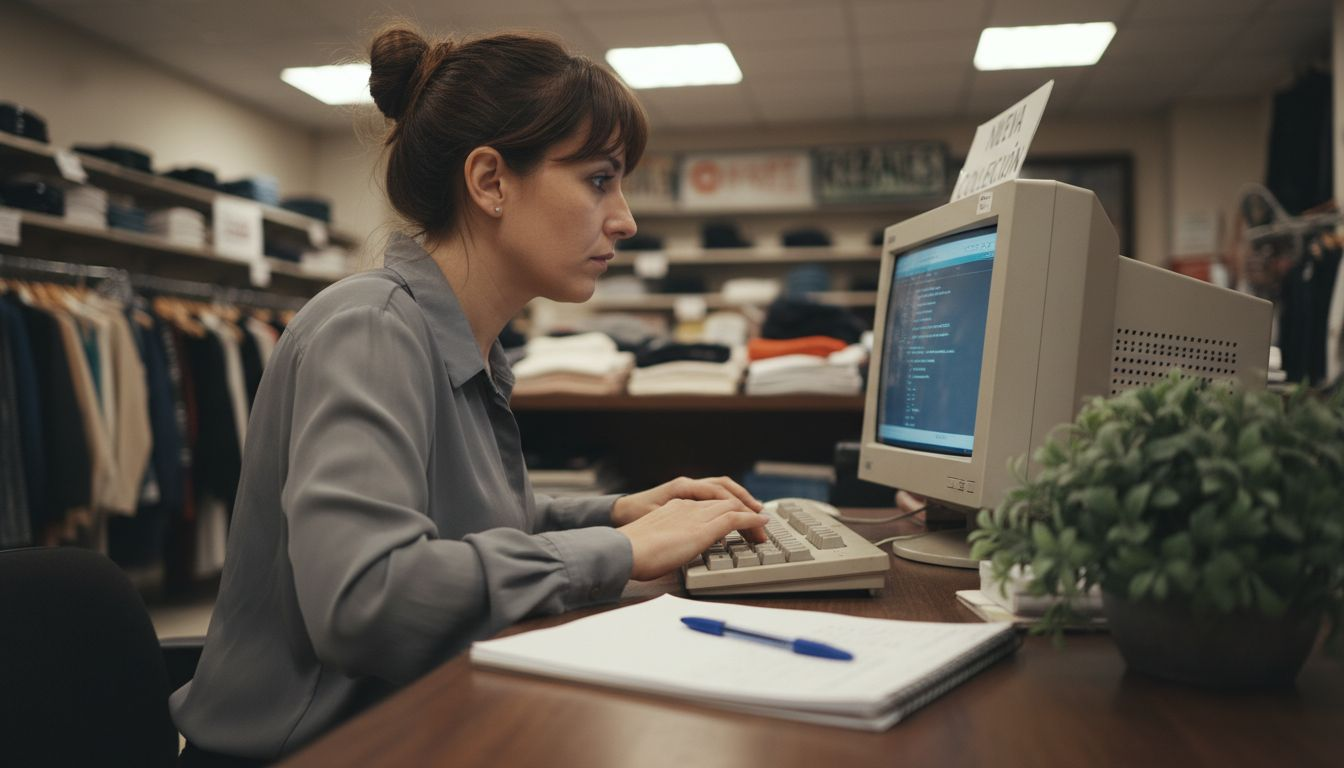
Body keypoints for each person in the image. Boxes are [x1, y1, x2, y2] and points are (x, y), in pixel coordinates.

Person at [171, 26, 767, 766]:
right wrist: (616, 550)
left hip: (406, 720)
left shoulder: (462, 339)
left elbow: (456, 518)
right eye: (598, 179)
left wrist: (616, 512)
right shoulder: (370, 329)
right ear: (489, 182)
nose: (625, 217)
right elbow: (367, 599)